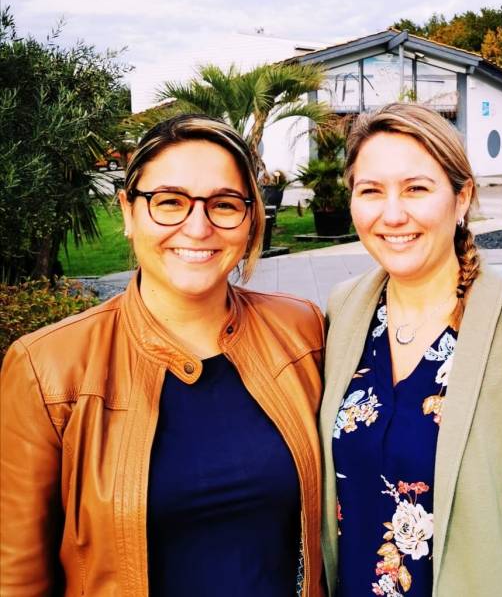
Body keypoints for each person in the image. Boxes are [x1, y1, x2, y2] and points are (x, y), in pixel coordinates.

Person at [1, 115, 325, 597]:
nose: (198, 227)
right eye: (169, 202)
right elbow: (18, 576)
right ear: (128, 213)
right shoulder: (47, 367)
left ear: (251, 217)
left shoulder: (301, 331)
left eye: (223, 204)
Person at [319, 103, 502, 596]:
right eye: (371, 191)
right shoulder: (344, 313)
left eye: (416, 189)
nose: (392, 214)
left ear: (462, 196)